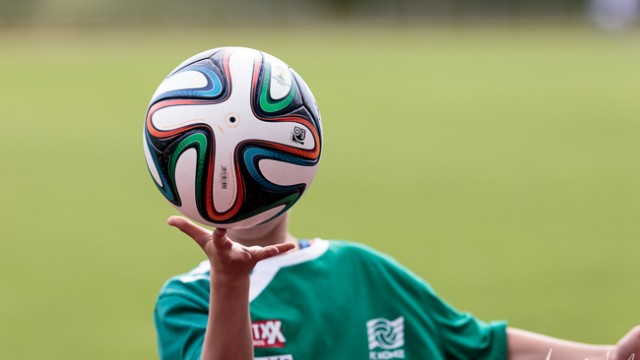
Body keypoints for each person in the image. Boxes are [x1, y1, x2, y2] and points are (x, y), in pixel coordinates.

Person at [154, 212, 640, 360]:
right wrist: (231, 281)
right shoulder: (189, 300)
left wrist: (607, 358)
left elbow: (480, 346)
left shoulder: (362, 270)